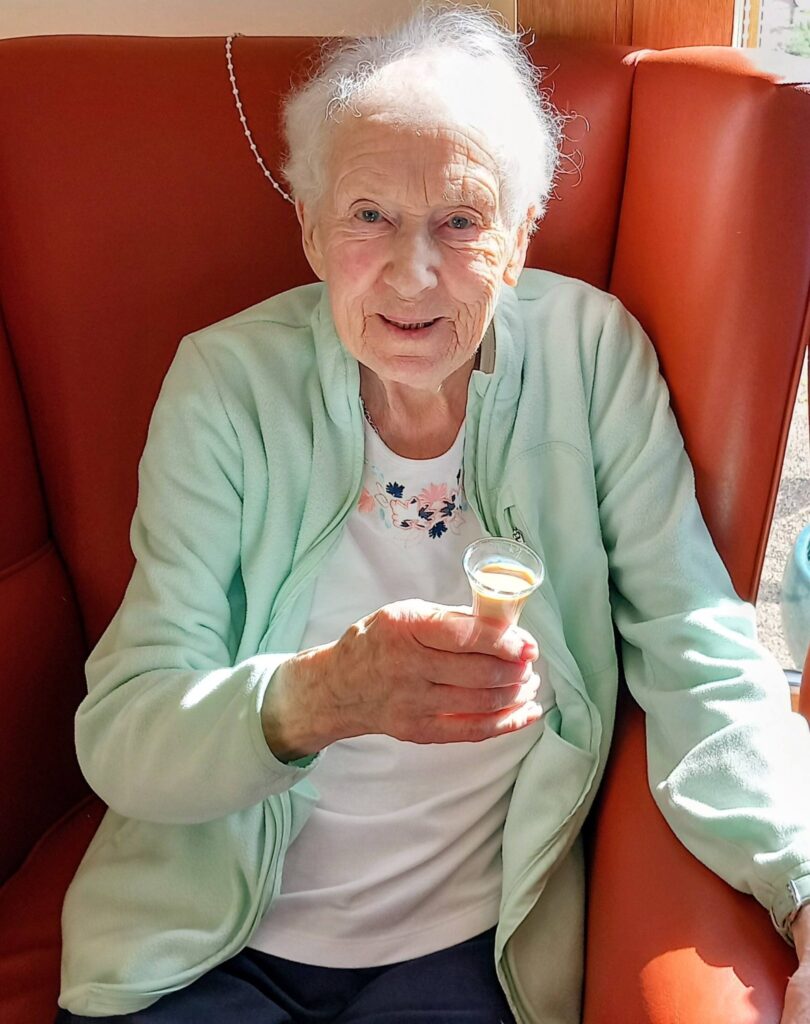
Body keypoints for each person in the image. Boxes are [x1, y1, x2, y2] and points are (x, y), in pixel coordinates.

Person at [56, 5, 810, 1023]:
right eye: (369, 215)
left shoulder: (590, 361)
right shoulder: (226, 384)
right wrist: (320, 696)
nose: (413, 272)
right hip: (197, 949)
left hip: (467, 952)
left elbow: (692, 638)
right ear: (314, 230)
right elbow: (124, 731)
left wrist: (802, 885)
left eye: (461, 220)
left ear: (520, 237)